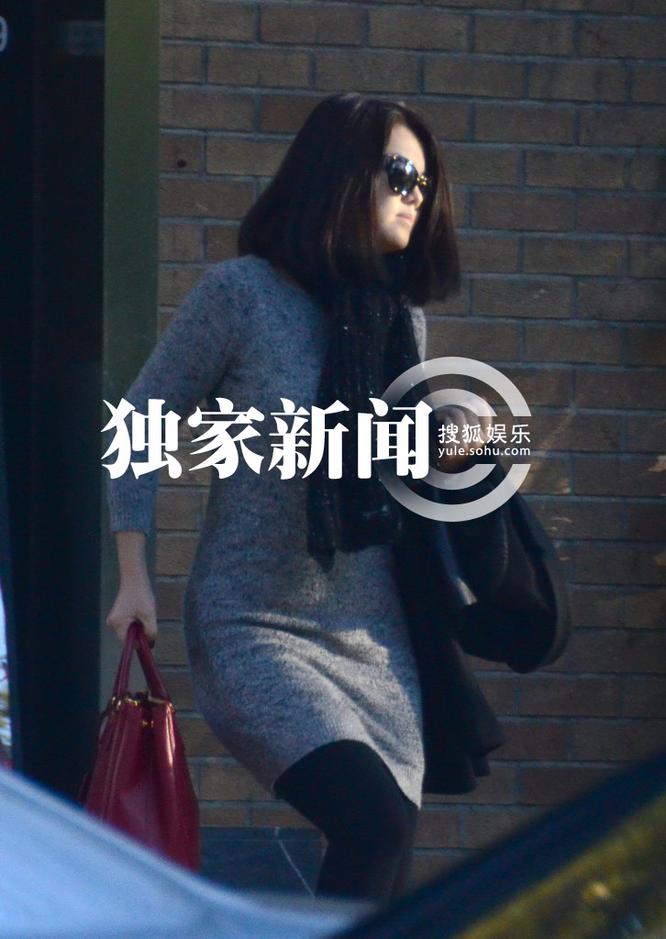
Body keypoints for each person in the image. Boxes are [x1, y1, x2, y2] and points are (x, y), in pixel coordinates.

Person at [104, 92, 491, 902]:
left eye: (425, 182)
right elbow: (140, 421)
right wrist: (133, 572)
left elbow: (397, 464)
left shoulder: (399, 318)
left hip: (374, 637)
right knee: (373, 820)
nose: (416, 195)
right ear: (343, 174)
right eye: (400, 174)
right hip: (254, 624)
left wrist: (474, 437)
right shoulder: (240, 295)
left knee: (385, 843)